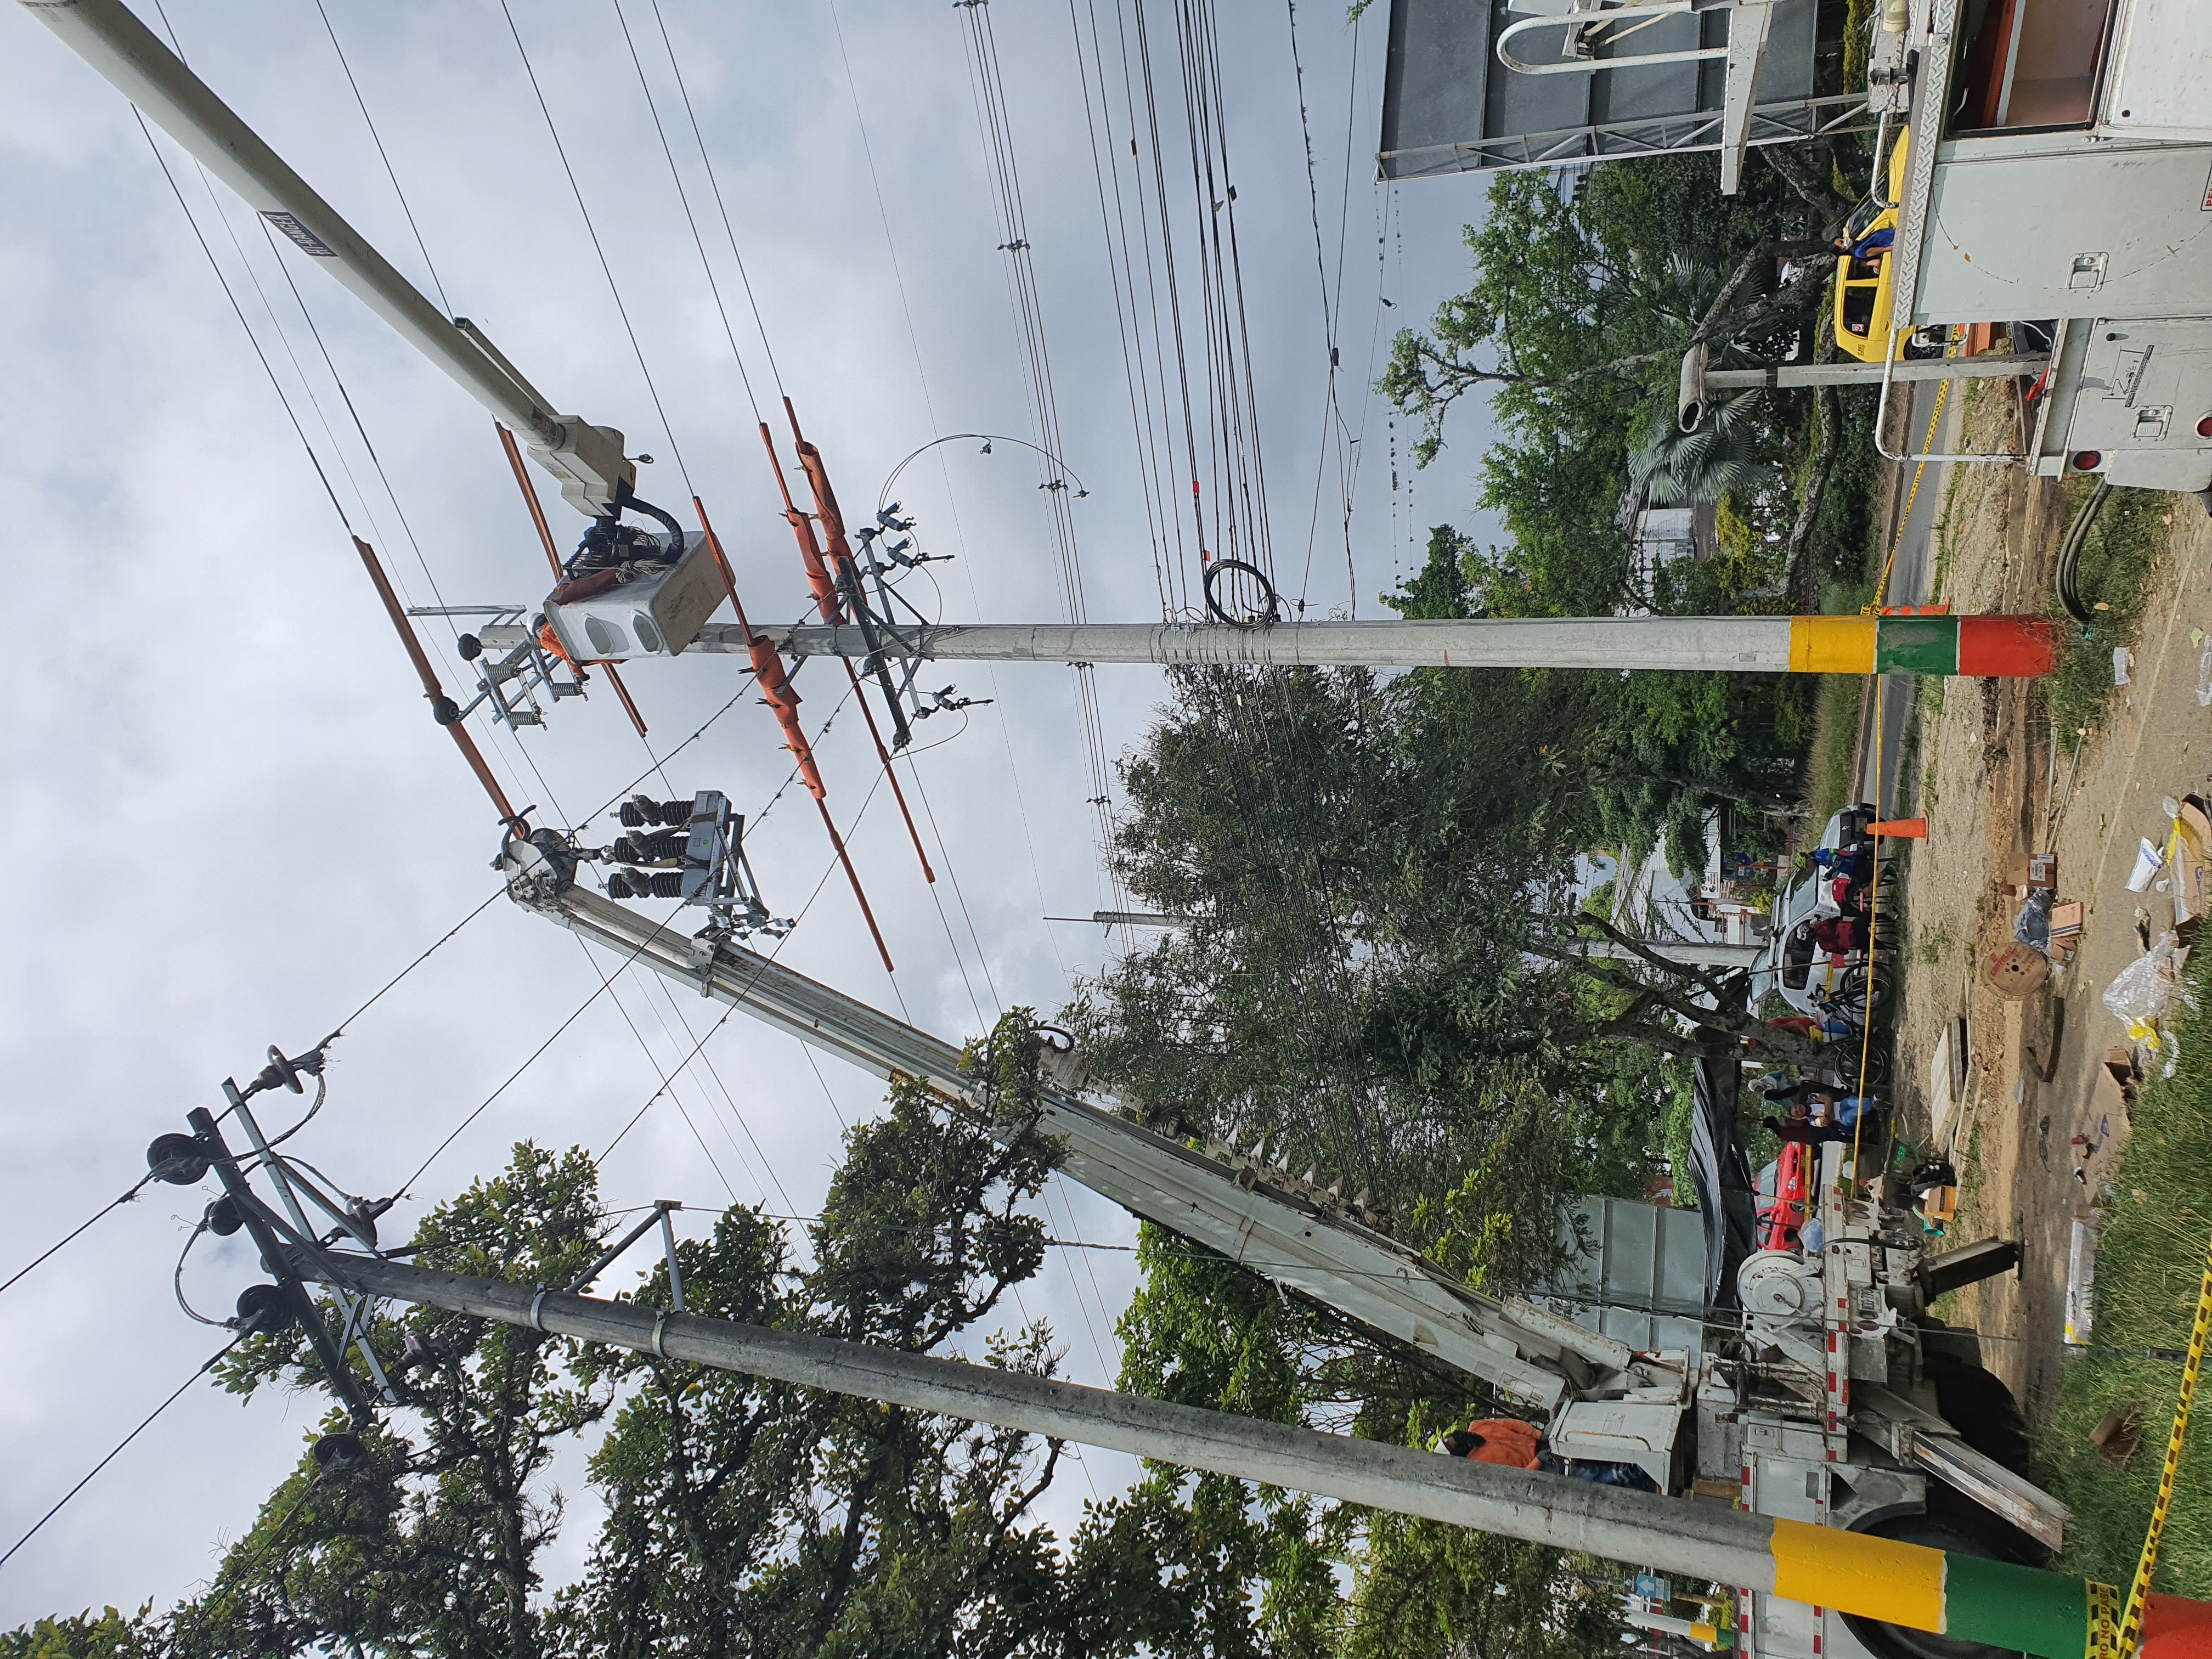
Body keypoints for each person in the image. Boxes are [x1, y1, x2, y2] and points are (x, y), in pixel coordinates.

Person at [1440, 1420, 1660, 1493]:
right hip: (1541, 1466)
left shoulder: (1476, 1426)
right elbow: (1515, 1479)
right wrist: (1538, 1461)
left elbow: (1512, 1425)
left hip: (1542, 1443)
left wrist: (1539, 1435)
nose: (1453, 1437)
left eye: (1450, 1437)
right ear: (1456, 1455)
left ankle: (1639, 1471)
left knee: (1591, 1452)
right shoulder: (1477, 1468)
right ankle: (1638, 1474)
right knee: (1587, 1476)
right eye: (1451, 1443)